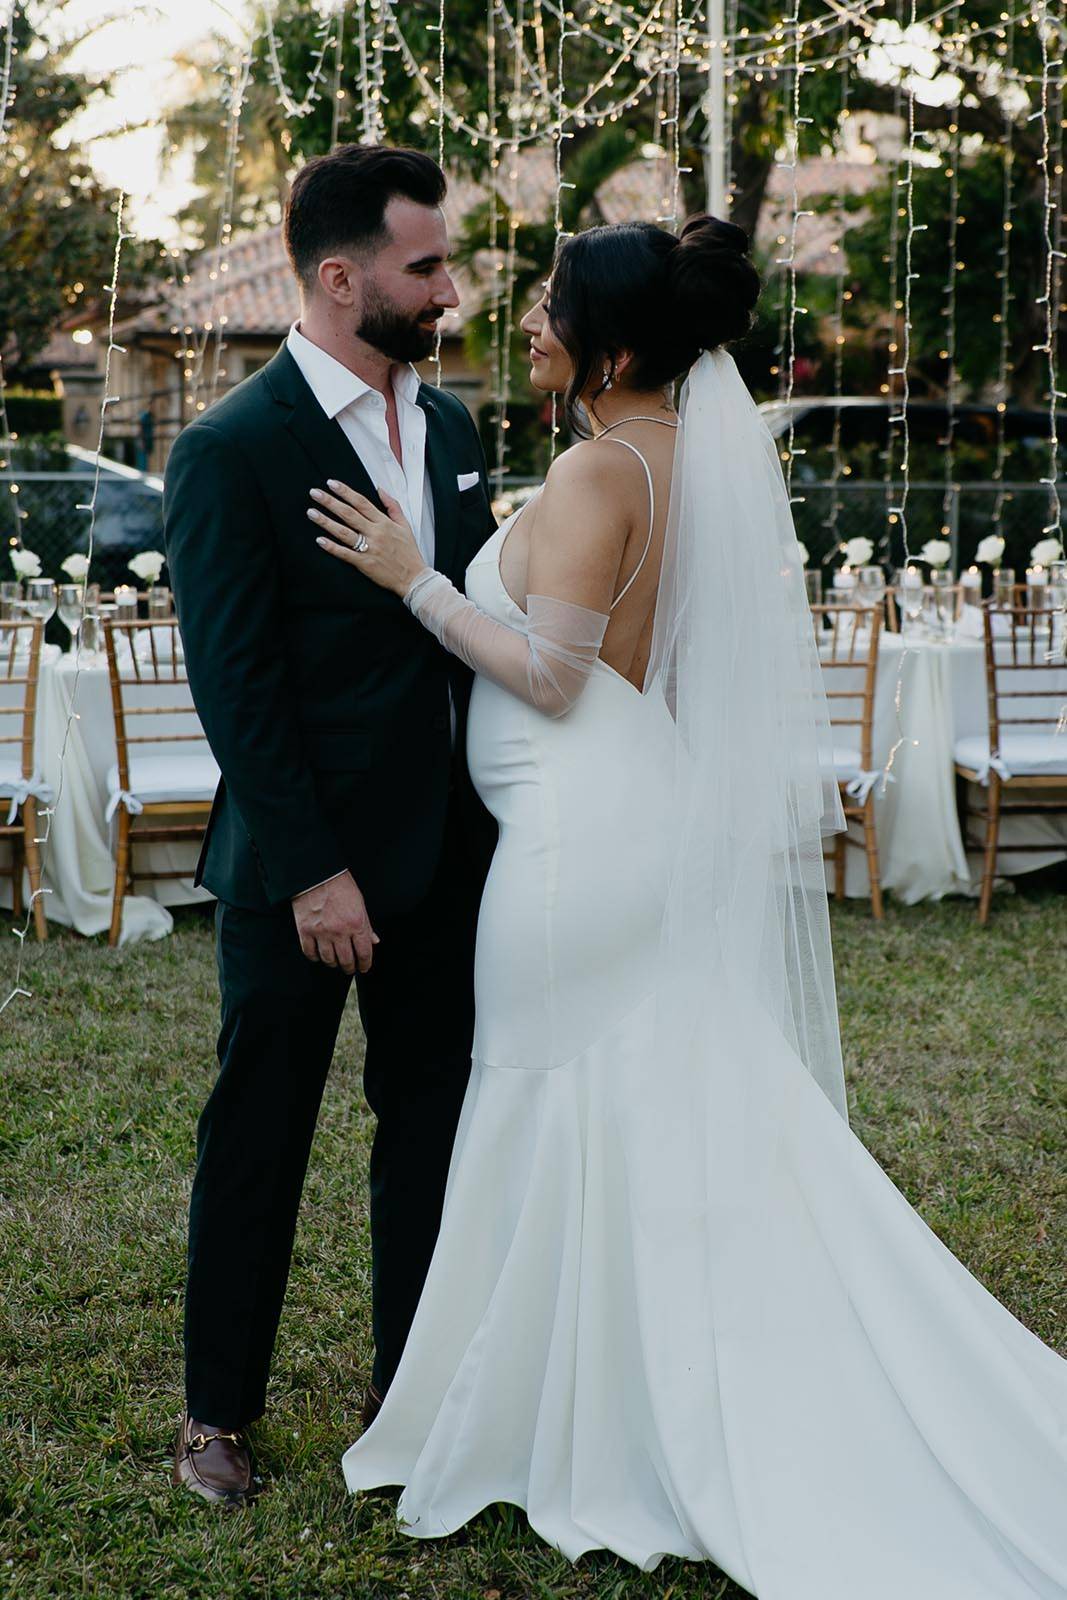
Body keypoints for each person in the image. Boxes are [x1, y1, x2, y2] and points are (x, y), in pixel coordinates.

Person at [317, 216, 1067, 1594]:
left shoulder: (607, 467)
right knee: (631, 1096)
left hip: (575, 836)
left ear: (607, 348)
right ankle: (595, 1388)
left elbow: (550, 674)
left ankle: (578, 1418)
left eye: (546, 310)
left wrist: (411, 579)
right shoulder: (677, 459)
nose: (522, 322)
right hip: (622, 809)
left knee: (556, 1092)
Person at [163, 143, 496, 1507]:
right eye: (427, 267)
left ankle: (406, 1396)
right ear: (342, 277)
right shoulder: (230, 449)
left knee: (428, 1129)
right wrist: (313, 872)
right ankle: (213, 1417)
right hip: (304, 872)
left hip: (451, 857)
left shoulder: (459, 432)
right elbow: (234, 687)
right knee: (261, 1131)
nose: (452, 289)